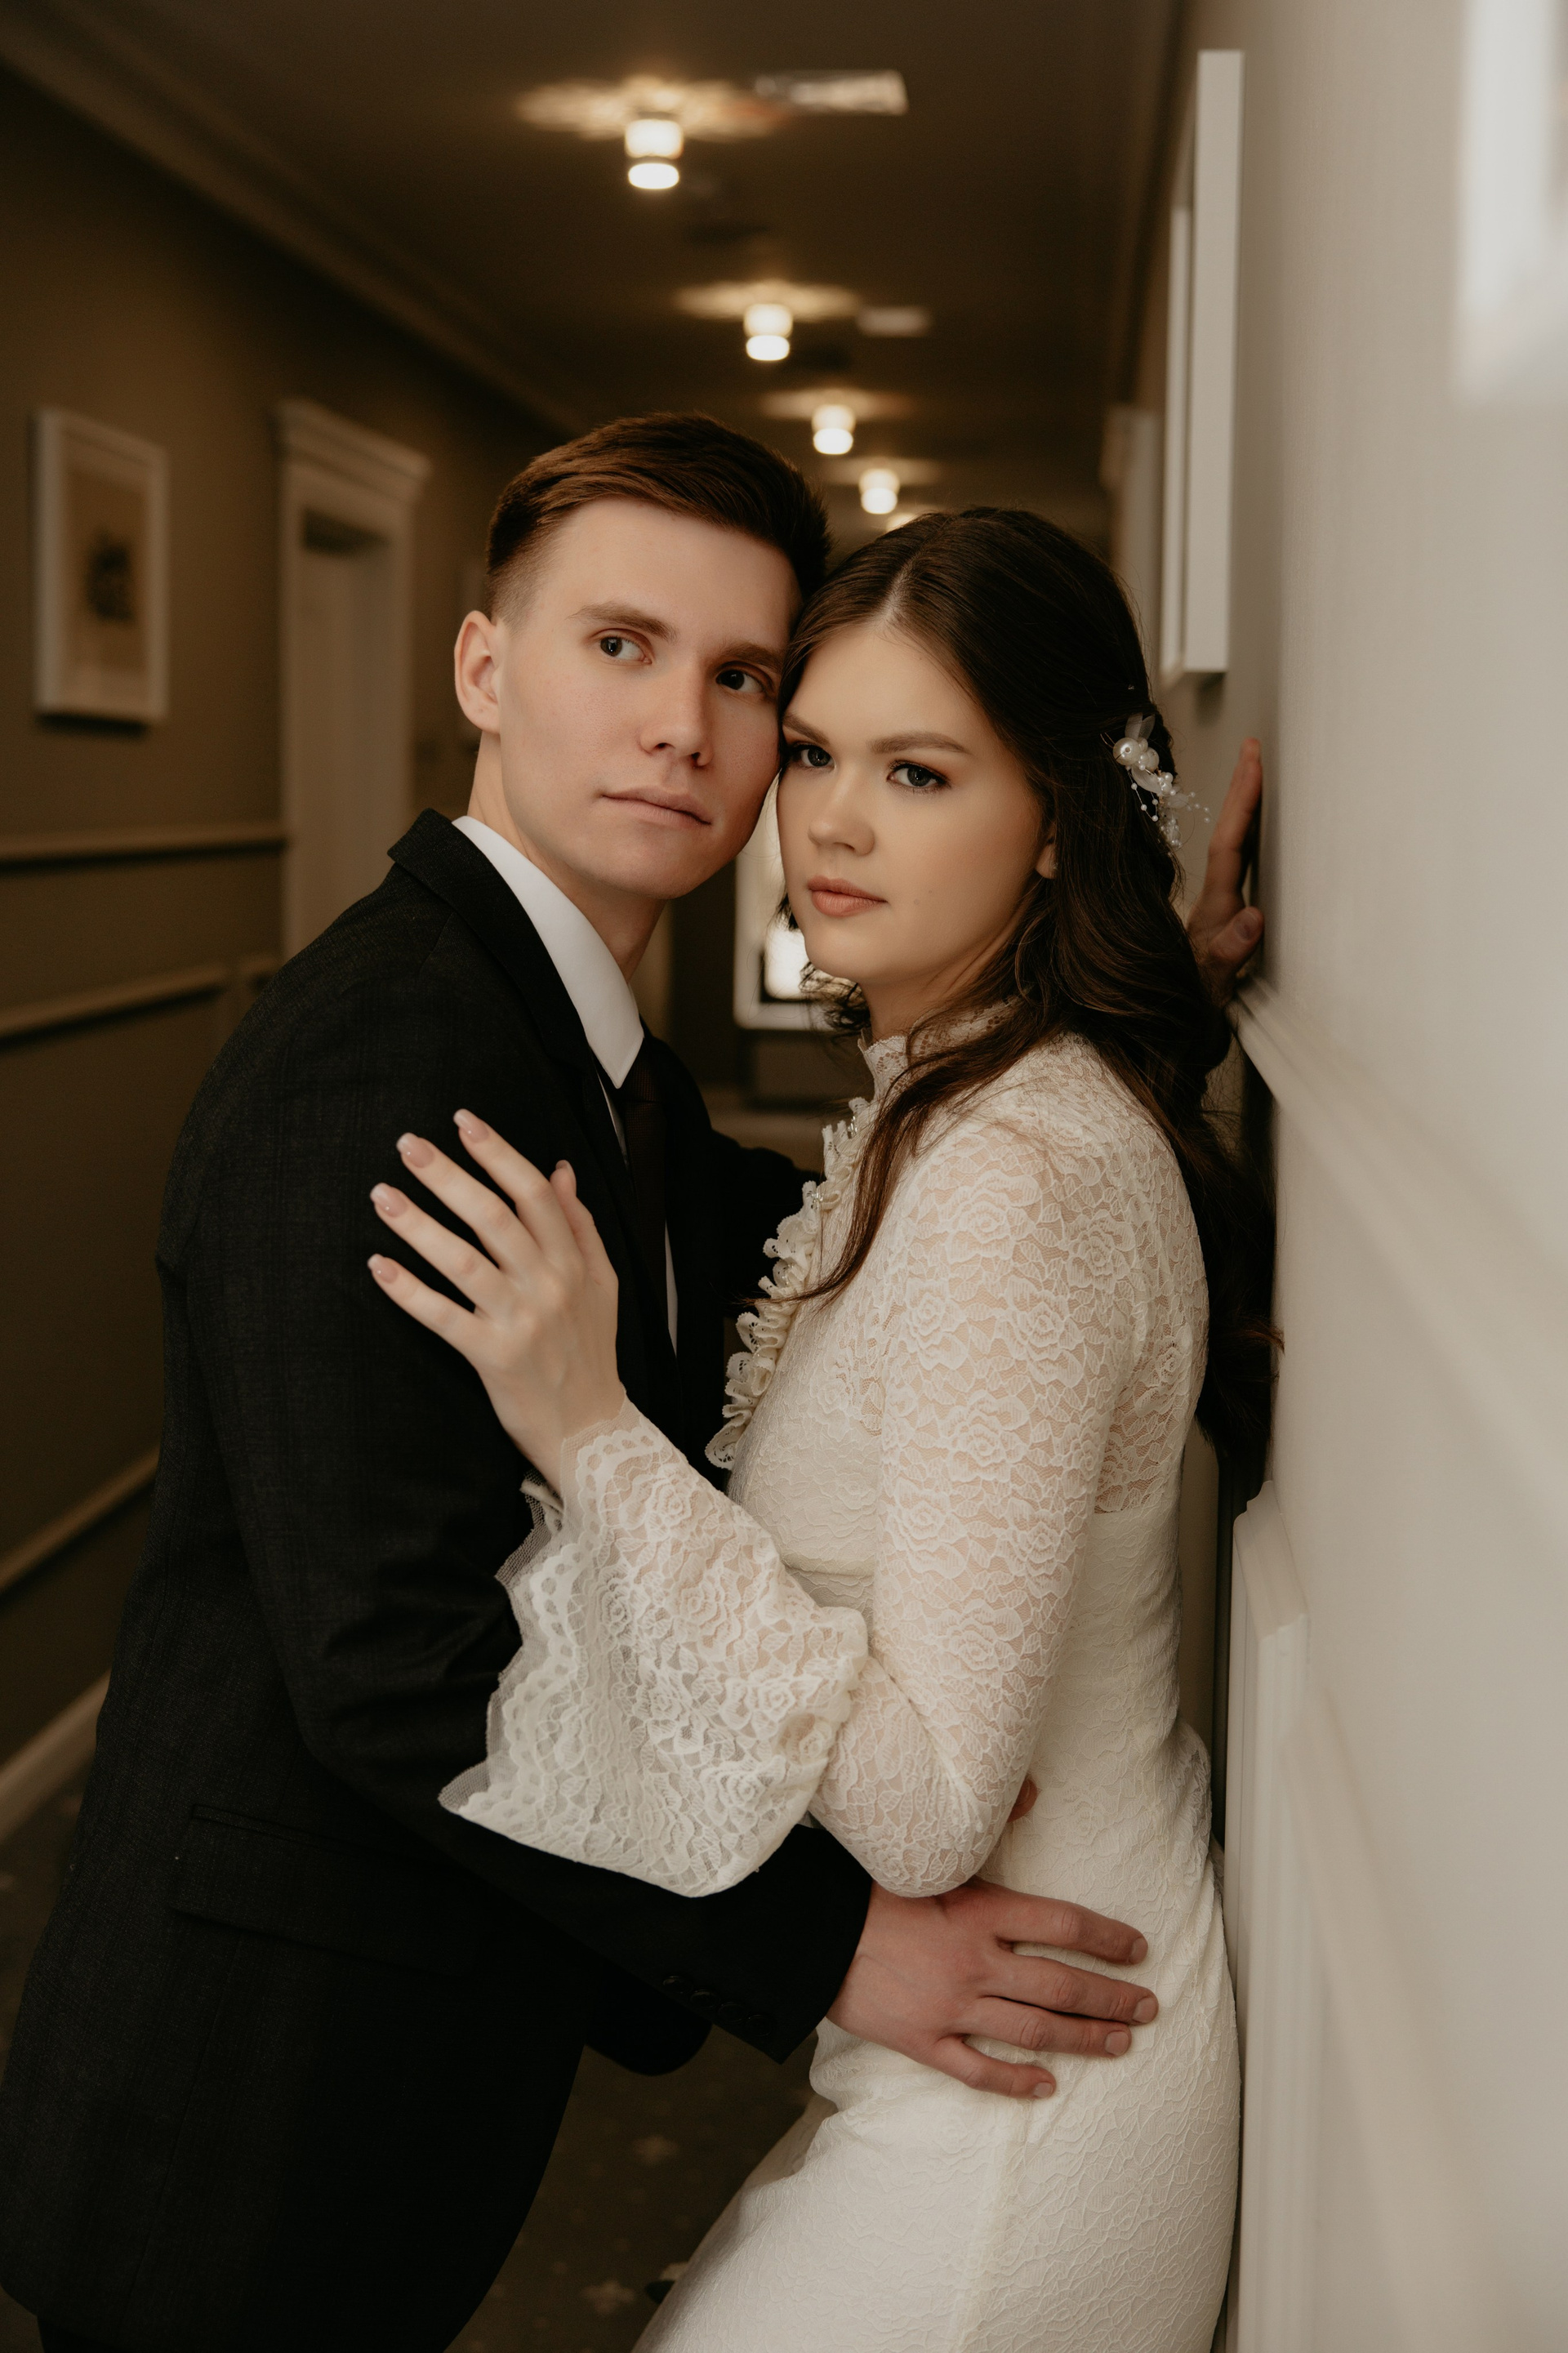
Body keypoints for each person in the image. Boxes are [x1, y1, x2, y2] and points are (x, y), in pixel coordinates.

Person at [0, 418, 1260, 2353]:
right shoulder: (383, 1062)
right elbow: (398, 1659)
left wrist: (1129, 994)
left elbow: (875, 1280)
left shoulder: (615, 1065)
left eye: (746, 679)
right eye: (619, 646)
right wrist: (832, 1948)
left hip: (445, 2043)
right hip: (257, 2076)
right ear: (483, 667)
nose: (685, 726)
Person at [369, 505, 1272, 2351]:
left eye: (919, 772)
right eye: (813, 754)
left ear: (1055, 818)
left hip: (1030, 2083)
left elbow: (931, 1809)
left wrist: (594, 1435)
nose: (832, 823)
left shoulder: (1013, 1174)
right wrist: (1176, 989)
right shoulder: (974, 1101)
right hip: (996, 2046)